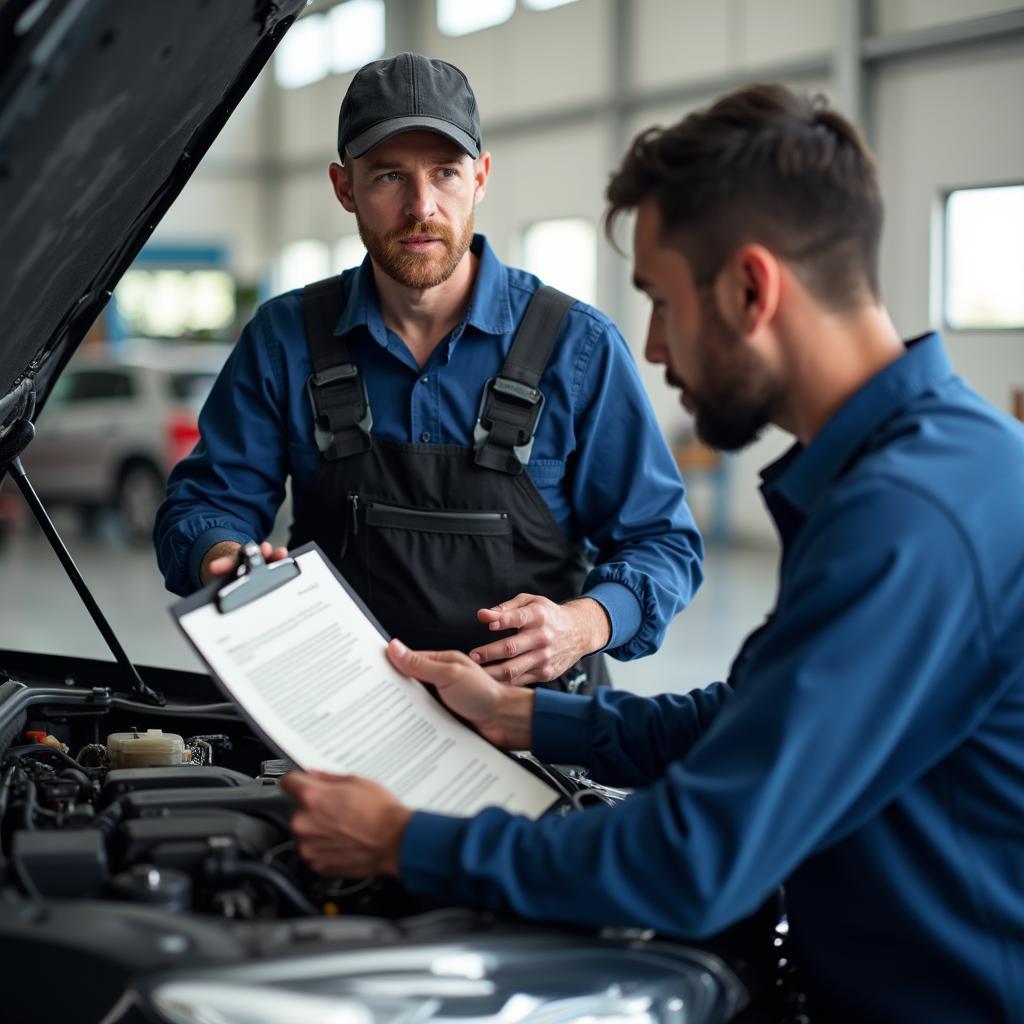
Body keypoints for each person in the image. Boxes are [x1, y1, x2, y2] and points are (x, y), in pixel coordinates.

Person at [280, 84, 1024, 1023]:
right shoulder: (934, 467)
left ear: (752, 290)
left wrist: (401, 843)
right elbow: (757, 719)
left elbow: (690, 859)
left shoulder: (912, 522)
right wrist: (528, 717)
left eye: (663, 303)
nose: (656, 349)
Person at [154, 52, 702, 693]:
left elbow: (662, 543)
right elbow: (205, 502)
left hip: (535, 727)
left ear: (481, 178)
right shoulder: (285, 339)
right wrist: (222, 559)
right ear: (344, 187)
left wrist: (584, 624)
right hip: (338, 713)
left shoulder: (578, 349)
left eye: (445, 172)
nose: (422, 206)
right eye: (388, 176)